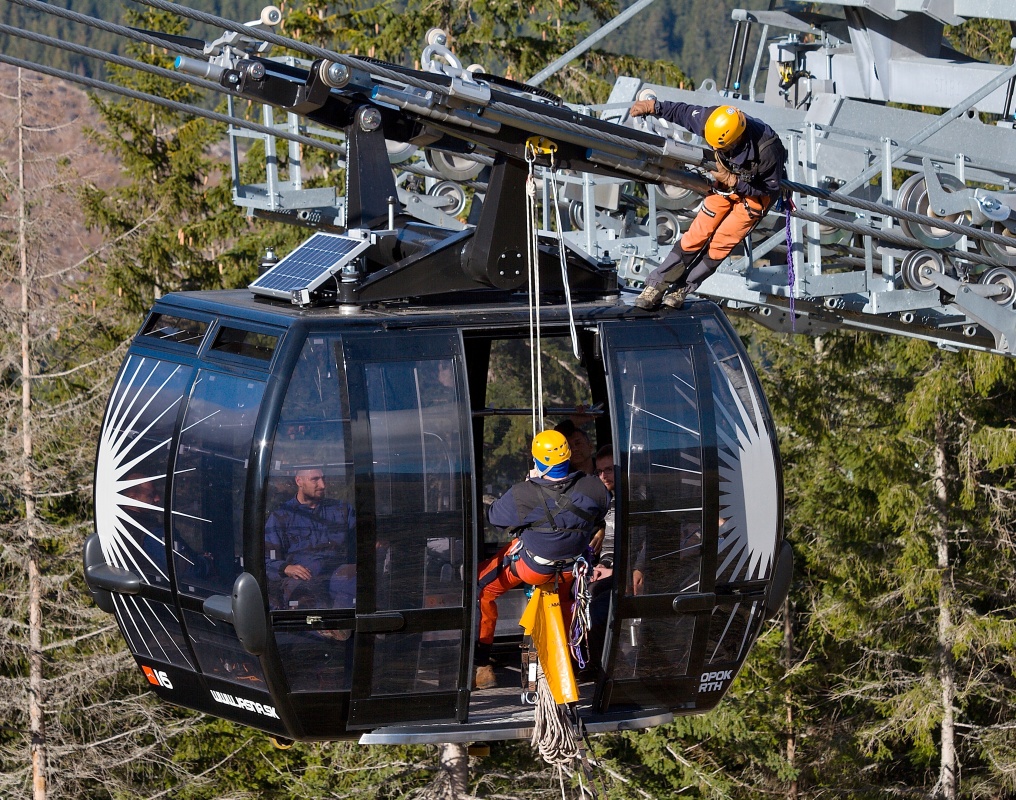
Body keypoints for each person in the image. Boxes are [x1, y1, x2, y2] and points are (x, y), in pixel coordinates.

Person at [474, 430, 611, 689]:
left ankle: (480, 662)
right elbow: (600, 511)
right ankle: (573, 661)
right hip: (572, 570)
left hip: (532, 569)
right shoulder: (594, 486)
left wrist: (533, 482)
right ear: (568, 455)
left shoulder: (523, 494)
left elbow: (494, 516)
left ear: (537, 460)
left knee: (481, 587)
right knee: (567, 602)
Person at [628, 100, 787, 310]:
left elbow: (768, 189)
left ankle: (682, 288)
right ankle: (656, 286)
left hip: (755, 194)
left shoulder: (768, 150)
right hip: (725, 181)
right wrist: (654, 107)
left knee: (720, 245)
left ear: (738, 138)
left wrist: (734, 181)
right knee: (697, 235)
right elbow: (682, 112)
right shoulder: (711, 121)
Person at [264, 467, 356, 611]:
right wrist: (286, 568)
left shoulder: (342, 510)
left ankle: (340, 626)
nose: (323, 485)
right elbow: (265, 560)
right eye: (315, 480)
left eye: (323, 479)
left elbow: (363, 539)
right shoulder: (281, 516)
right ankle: (324, 628)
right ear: (299, 481)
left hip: (337, 572)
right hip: (302, 578)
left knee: (355, 579)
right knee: (307, 597)